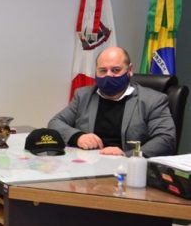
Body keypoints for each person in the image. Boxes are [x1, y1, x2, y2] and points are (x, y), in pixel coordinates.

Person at [48, 46, 176, 157]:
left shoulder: (153, 100)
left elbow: (166, 139)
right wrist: (78, 137)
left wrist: (127, 155)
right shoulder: (84, 96)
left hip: (128, 168)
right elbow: (55, 123)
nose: (109, 75)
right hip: (88, 166)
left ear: (130, 70)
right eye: (103, 70)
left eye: (116, 70)